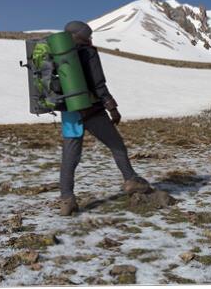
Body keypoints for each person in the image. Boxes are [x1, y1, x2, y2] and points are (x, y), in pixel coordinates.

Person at [59, 20, 151, 216]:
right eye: (88, 35)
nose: (90, 39)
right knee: (117, 145)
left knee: (70, 158)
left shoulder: (57, 55)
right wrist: (112, 108)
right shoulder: (87, 52)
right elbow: (98, 83)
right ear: (81, 36)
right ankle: (131, 180)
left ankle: (67, 200)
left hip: (69, 112)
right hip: (91, 110)